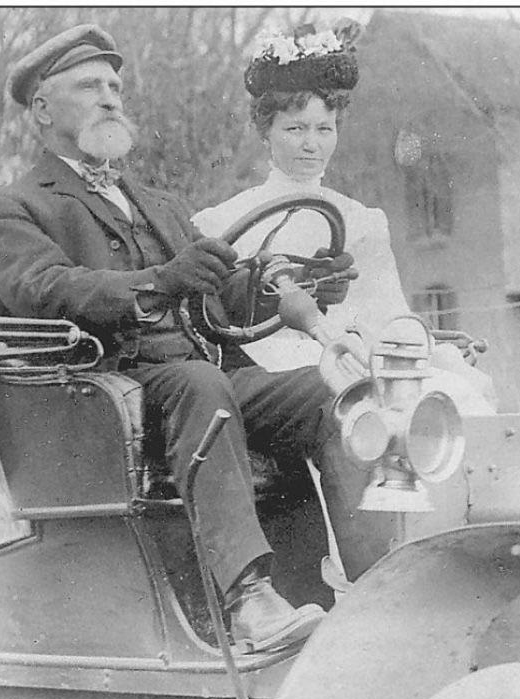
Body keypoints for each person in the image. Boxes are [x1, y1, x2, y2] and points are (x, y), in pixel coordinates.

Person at [0, 24, 359, 653]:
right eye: (89, 86)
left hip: (209, 377)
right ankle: (249, 601)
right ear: (42, 109)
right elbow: (46, 289)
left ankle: (370, 582)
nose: (110, 99)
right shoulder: (11, 208)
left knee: (333, 391)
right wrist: (159, 280)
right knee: (201, 383)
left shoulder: (156, 201)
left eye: (115, 86)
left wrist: (307, 288)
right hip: (114, 387)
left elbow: (224, 293)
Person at [194, 21, 497, 414]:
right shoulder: (222, 221)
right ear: (265, 131)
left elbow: (390, 317)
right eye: (295, 128)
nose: (311, 144)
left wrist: (436, 353)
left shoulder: (361, 220)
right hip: (276, 368)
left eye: (324, 129)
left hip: (362, 356)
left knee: (459, 393)